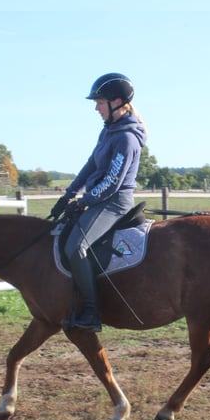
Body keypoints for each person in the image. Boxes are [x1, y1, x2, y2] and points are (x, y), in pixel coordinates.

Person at [50, 73, 147, 332]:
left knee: (76, 247)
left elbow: (112, 182)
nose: (96, 108)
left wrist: (84, 200)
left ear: (117, 102)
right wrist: (68, 195)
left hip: (114, 204)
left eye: (100, 102)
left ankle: (91, 312)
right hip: (98, 200)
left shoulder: (126, 138)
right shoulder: (108, 132)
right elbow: (90, 166)